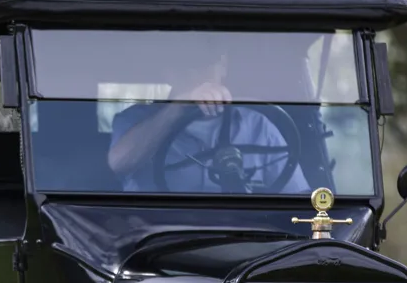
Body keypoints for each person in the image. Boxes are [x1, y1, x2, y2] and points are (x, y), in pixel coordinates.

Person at [106, 52, 309, 193]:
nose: (195, 74)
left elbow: (298, 199)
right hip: (158, 238)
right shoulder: (135, 121)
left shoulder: (258, 126)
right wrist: (177, 108)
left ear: (223, 65)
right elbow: (119, 163)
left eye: (204, 62)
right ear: (167, 73)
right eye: (184, 64)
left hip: (245, 239)